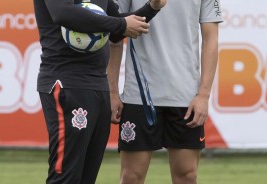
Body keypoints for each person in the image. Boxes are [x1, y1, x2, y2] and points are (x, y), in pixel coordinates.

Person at [33, 0, 166, 183]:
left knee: (87, 176)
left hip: (98, 85)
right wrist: (121, 24)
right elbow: (63, 13)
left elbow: (117, 31)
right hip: (66, 83)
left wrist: (153, 7)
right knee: (65, 176)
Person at [108, 0, 223, 183]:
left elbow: (211, 40)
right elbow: (114, 38)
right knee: (131, 177)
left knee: (187, 176)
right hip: (139, 96)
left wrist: (203, 95)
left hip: (185, 98)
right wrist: (112, 92)